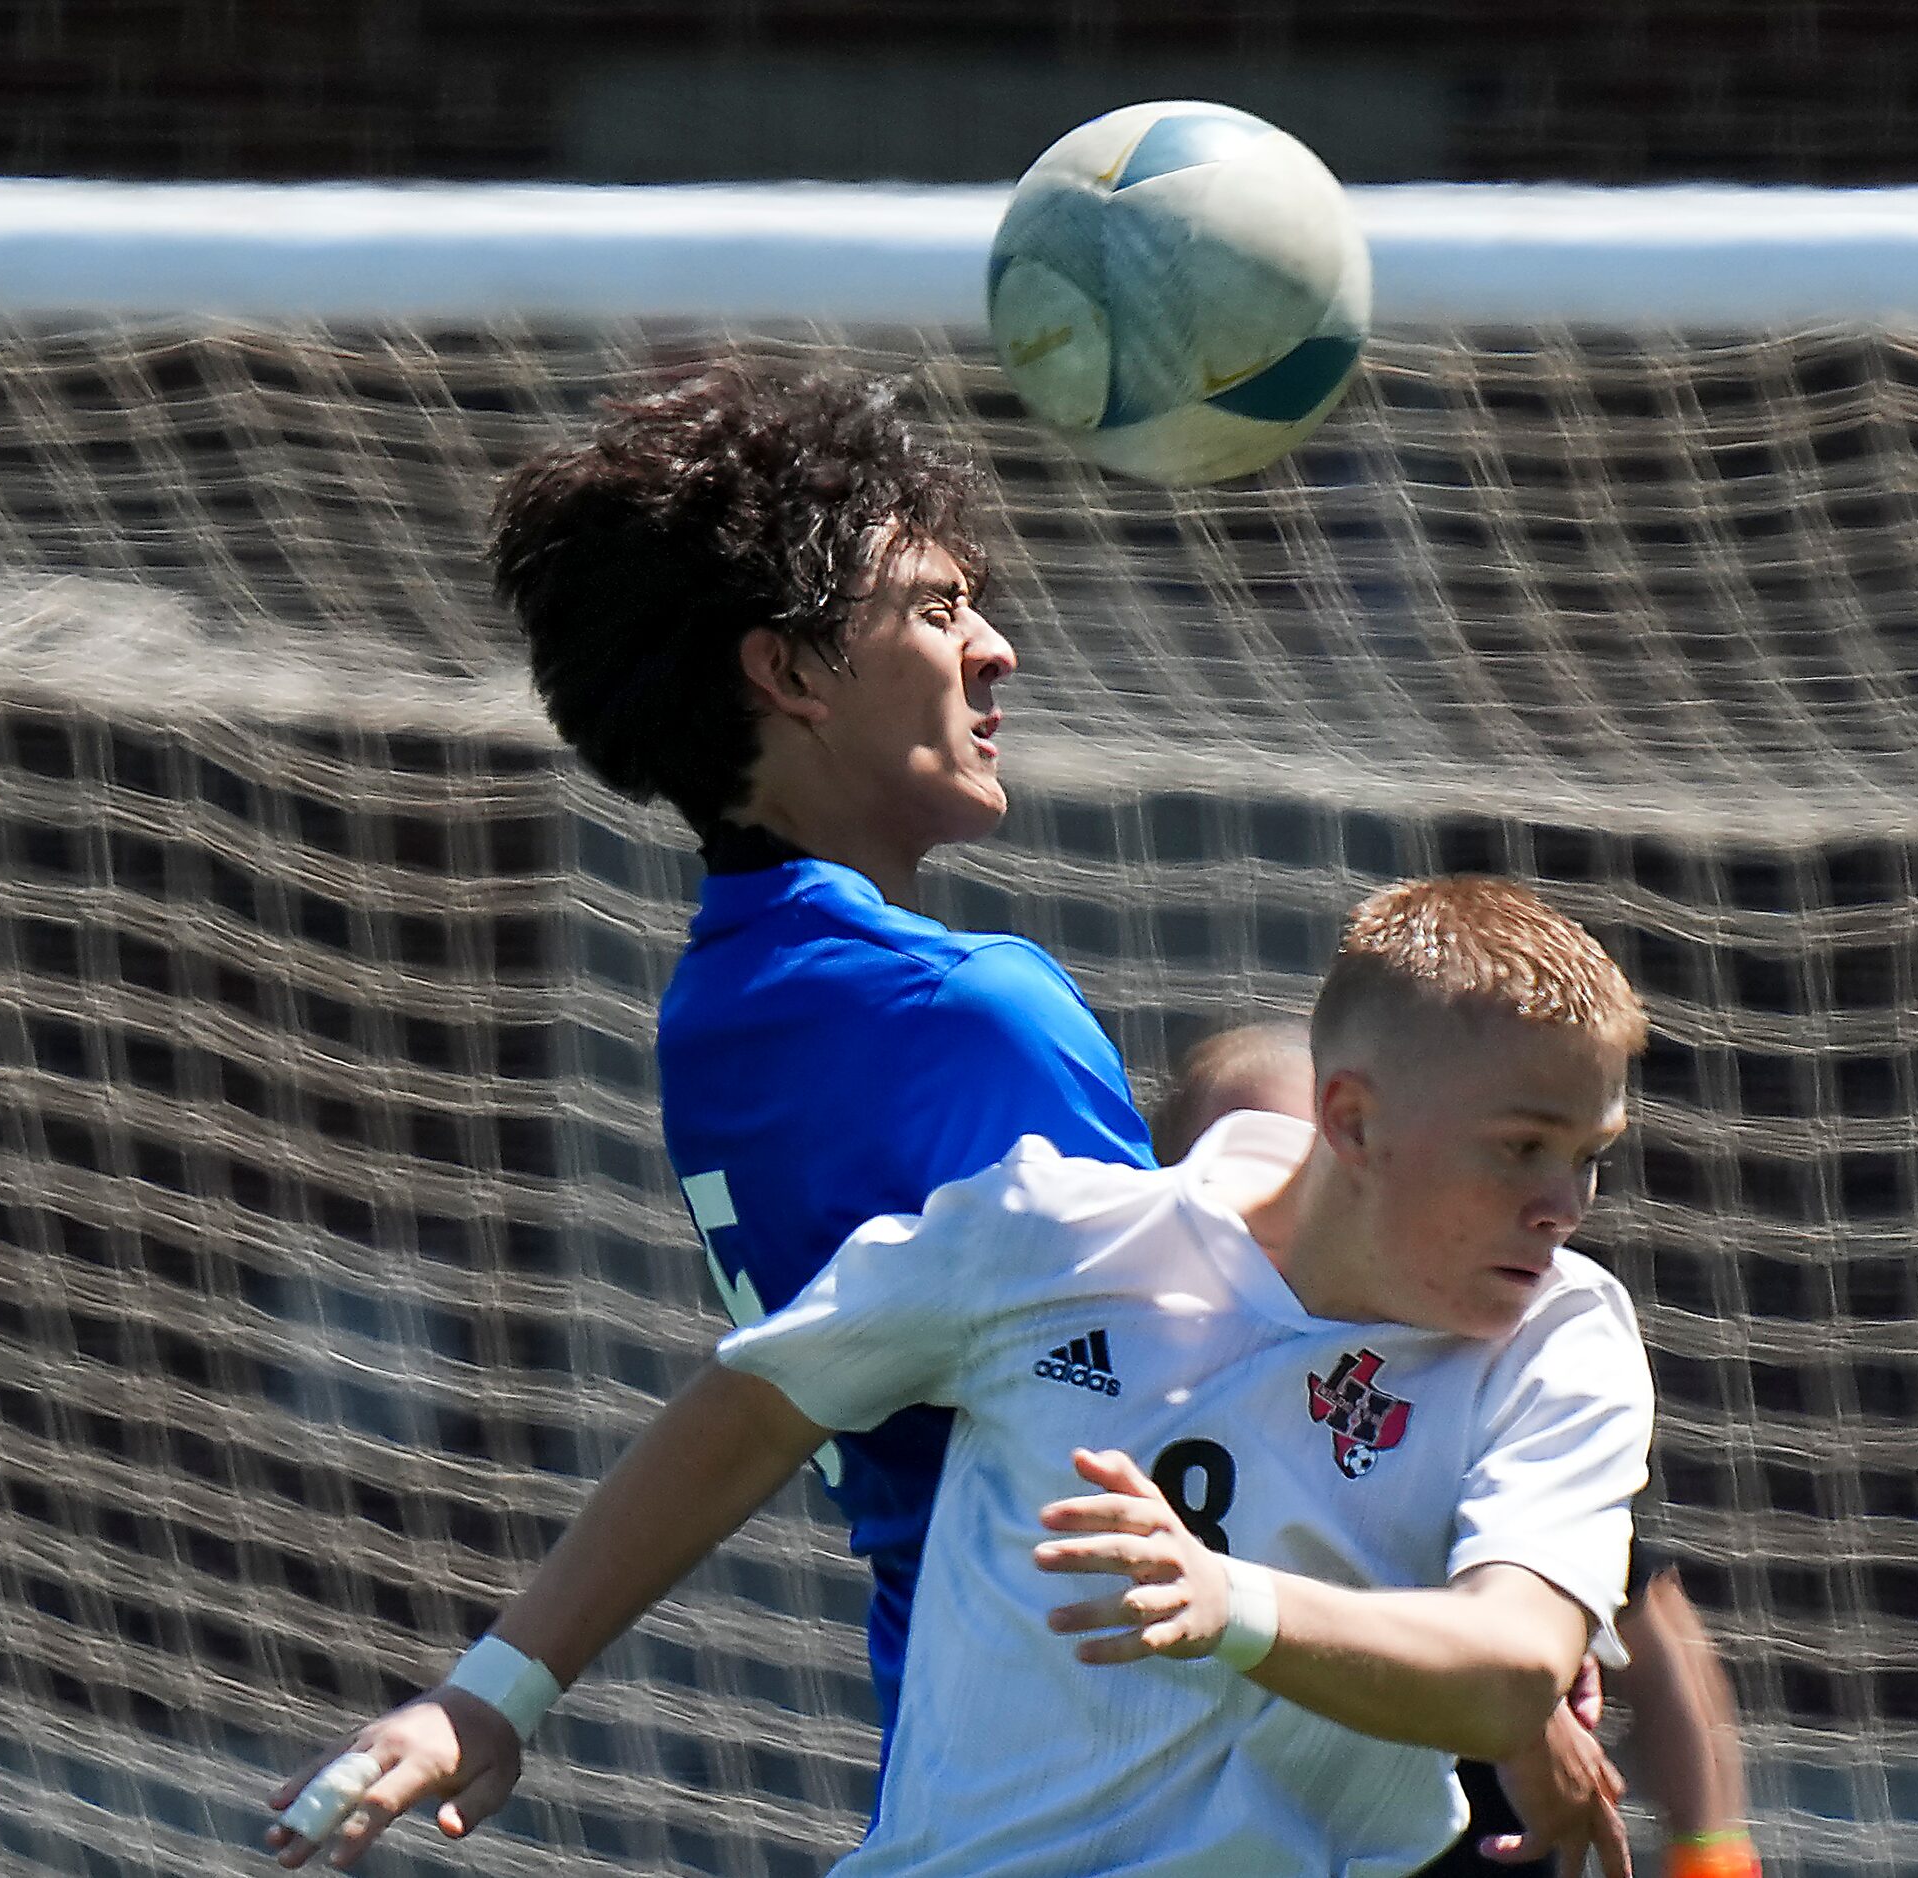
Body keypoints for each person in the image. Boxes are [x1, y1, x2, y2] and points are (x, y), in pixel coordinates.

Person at [268, 875, 1658, 1878]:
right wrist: (491, 1694)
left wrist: (1229, 1602)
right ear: (1351, 1117)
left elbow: (1513, 1664)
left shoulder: (1560, 1338)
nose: (1565, 1201)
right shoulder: (1052, 1232)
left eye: (1588, 1153)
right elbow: (758, 1400)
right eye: (1521, 1146)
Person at [478, 361, 1157, 1770]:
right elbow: (1194, 1401)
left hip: (951, 1745)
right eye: (935, 605)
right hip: (1134, 1760)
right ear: (786, 672)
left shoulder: (716, 1014)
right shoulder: (969, 1008)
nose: (997, 647)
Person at [1159, 1023, 1760, 1878]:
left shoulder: (1505, 1378)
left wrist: (1709, 1855)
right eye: (1240, 1163)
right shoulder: (1126, 1359)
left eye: (1304, 1158)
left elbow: (1637, 1626)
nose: (1288, 1193)